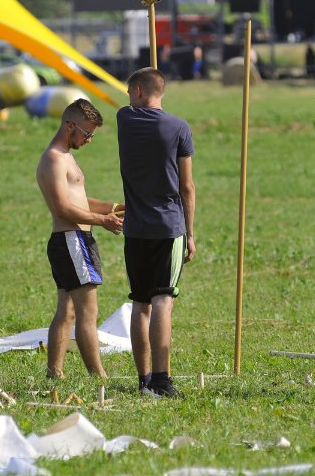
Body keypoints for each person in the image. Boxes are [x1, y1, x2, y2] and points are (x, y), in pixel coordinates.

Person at [117, 67, 196, 398]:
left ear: (137, 91)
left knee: (140, 302)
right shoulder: (179, 128)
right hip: (168, 226)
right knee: (163, 299)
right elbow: (186, 186)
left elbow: (134, 109)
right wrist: (190, 233)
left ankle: (144, 378)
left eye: (129, 91)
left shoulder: (124, 119)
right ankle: (162, 380)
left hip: (135, 228)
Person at [36, 99, 124, 380]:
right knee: (88, 312)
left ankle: (55, 373)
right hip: (72, 240)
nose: (89, 140)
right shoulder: (54, 159)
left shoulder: (66, 156)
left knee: (68, 311)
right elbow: (63, 208)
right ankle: (98, 376)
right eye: (87, 133)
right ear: (69, 125)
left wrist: (115, 208)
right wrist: (103, 221)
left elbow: (81, 201)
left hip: (71, 240)